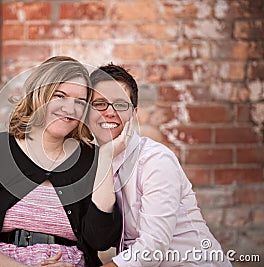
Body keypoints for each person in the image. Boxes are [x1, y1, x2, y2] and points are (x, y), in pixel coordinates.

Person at [0, 56, 122, 267]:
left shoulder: (91, 160)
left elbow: (101, 240)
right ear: (39, 95)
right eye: (60, 95)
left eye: (80, 101)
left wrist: (104, 158)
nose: (70, 108)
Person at [88, 64, 232, 266]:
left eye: (120, 104)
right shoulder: (99, 162)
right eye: (100, 104)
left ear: (134, 113)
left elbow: (153, 246)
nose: (110, 112)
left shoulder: (155, 159)